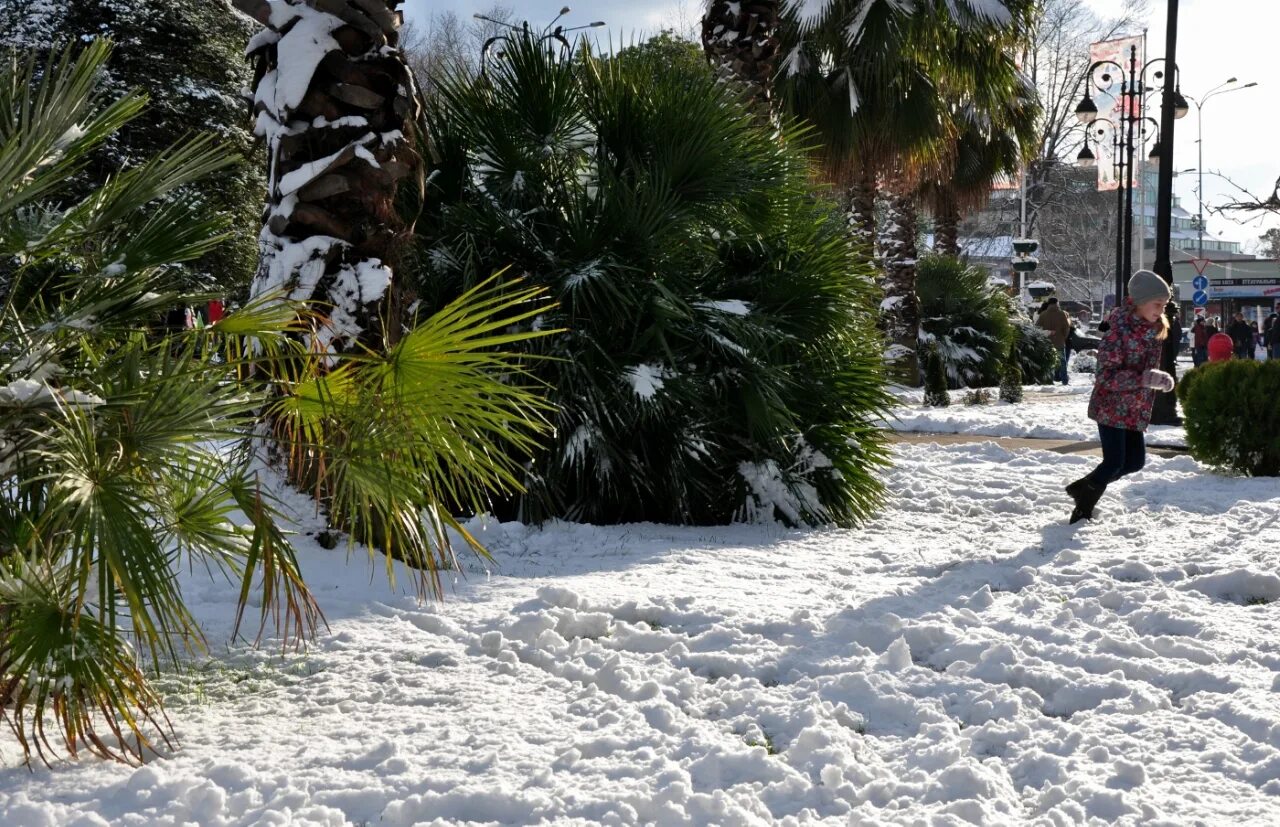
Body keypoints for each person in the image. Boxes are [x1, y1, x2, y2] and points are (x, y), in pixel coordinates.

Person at [1064, 270, 1174, 524]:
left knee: (1134, 462)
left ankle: (1083, 487)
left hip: (1134, 409)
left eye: (1164, 305)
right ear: (1139, 301)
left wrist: (1156, 378)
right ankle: (1082, 510)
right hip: (1111, 407)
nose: (1161, 309)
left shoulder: (1152, 329)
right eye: (1157, 304)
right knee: (1114, 463)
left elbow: (1146, 370)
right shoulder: (1119, 330)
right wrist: (1146, 378)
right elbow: (1105, 376)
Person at [1036, 297, 1072, 385]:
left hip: (1047, 342)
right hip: (1059, 341)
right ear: (1057, 303)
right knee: (1062, 362)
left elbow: (1037, 327)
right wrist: (1063, 337)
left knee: (1049, 361)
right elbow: (1066, 328)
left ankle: (1049, 380)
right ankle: (1064, 381)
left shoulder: (1043, 314)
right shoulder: (1062, 314)